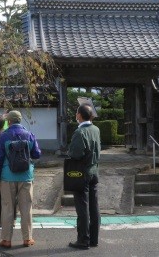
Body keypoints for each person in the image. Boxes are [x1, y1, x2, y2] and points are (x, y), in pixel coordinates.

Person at [0, 110, 41, 248]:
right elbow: (37, 154)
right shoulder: (29, 134)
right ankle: (27, 239)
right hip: (26, 176)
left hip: (7, 177)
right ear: (20, 120)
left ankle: (6, 240)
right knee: (26, 208)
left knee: (7, 207)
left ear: (9, 121)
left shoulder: (4, 136)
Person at [68, 104, 101, 250]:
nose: (76, 115)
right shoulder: (96, 129)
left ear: (79, 115)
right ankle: (94, 238)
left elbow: (75, 154)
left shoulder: (80, 132)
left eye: (77, 113)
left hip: (82, 173)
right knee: (94, 206)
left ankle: (83, 239)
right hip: (94, 171)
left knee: (82, 207)